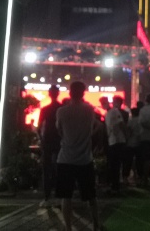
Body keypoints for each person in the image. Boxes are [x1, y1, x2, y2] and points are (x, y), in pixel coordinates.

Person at [56, 81, 101, 231]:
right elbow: (95, 126)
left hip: (65, 159)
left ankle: (68, 227)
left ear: (70, 93)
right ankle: (96, 225)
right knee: (91, 196)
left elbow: (59, 130)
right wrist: (87, 136)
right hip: (85, 159)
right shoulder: (89, 110)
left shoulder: (61, 111)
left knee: (66, 197)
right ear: (83, 93)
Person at [37, 85, 62, 207]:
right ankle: (59, 196)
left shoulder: (45, 109)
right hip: (59, 140)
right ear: (58, 94)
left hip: (47, 140)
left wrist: (41, 139)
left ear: (49, 94)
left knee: (46, 168)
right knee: (59, 168)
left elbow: (39, 126)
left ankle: (47, 197)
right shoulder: (61, 108)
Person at [105, 95, 127, 195]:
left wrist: (125, 136)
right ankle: (115, 185)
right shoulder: (111, 112)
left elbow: (121, 124)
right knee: (114, 165)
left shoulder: (114, 112)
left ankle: (115, 186)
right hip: (114, 141)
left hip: (116, 141)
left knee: (115, 165)